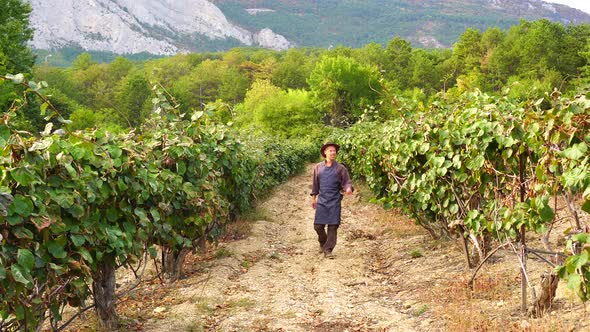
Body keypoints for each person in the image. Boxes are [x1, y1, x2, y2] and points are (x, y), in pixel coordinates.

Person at [310, 142, 353, 259]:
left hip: (334, 200)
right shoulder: (318, 167)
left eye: (334, 151)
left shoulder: (341, 168)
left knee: (333, 226)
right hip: (322, 201)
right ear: (325, 152)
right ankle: (323, 243)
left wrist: (348, 188)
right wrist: (313, 198)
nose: (333, 152)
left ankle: (328, 250)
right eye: (330, 150)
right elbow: (315, 184)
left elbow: (347, 182)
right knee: (318, 226)